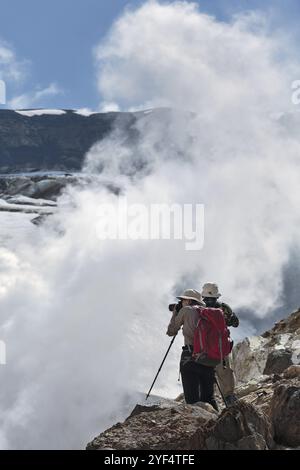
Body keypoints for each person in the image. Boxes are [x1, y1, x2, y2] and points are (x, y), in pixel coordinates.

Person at [166, 289, 218, 410]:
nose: (181, 302)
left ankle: (198, 426)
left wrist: (175, 313)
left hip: (190, 357)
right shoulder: (208, 312)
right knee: (209, 398)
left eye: (183, 300)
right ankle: (220, 423)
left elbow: (171, 331)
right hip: (209, 359)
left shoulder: (186, 310)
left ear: (189, 300)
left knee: (192, 401)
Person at [201, 282, 239, 406]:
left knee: (205, 372)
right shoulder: (224, 308)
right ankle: (229, 397)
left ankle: (206, 400)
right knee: (224, 370)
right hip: (220, 346)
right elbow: (235, 323)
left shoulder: (199, 308)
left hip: (204, 347)